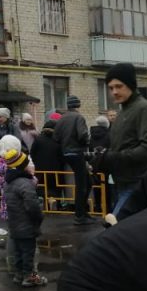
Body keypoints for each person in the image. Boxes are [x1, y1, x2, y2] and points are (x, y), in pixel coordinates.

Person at [91, 62, 147, 219]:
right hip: (121, 183)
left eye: (119, 86)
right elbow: (122, 146)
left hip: (137, 184)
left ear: (130, 84)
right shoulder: (124, 111)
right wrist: (103, 160)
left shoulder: (144, 109)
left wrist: (113, 158)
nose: (114, 92)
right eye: (111, 88)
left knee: (114, 232)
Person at [2, 147, 46, 287]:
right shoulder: (25, 183)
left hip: (14, 223)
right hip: (26, 224)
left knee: (19, 251)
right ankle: (30, 276)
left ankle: (19, 274)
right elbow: (32, 206)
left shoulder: (8, 182)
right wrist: (39, 216)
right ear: (22, 165)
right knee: (28, 253)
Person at [54, 95, 94, 225]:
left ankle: (82, 212)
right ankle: (79, 216)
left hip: (66, 153)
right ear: (78, 105)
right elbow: (82, 135)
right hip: (77, 153)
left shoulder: (61, 118)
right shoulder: (78, 117)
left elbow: (56, 137)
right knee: (82, 184)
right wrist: (87, 142)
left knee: (87, 182)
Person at [31, 115, 64, 210]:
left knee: (43, 187)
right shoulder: (58, 140)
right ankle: (56, 204)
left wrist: (37, 163)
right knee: (56, 187)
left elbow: (32, 153)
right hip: (56, 170)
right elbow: (61, 156)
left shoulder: (38, 139)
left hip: (41, 170)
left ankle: (46, 205)